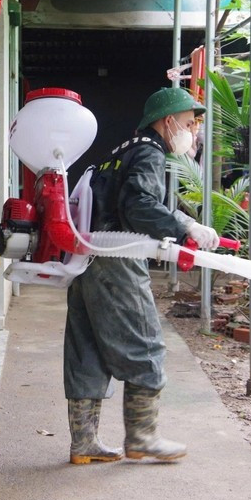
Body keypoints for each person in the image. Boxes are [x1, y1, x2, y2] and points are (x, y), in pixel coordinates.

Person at [64, 86, 220, 465]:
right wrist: (183, 231)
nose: (193, 131)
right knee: (146, 344)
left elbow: (123, 199)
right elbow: (138, 205)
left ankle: (83, 443)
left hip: (86, 258)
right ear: (168, 122)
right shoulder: (149, 151)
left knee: (87, 348)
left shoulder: (121, 150)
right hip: (119, 258)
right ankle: (142, 437)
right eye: (189, 123)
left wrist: (182, 220)